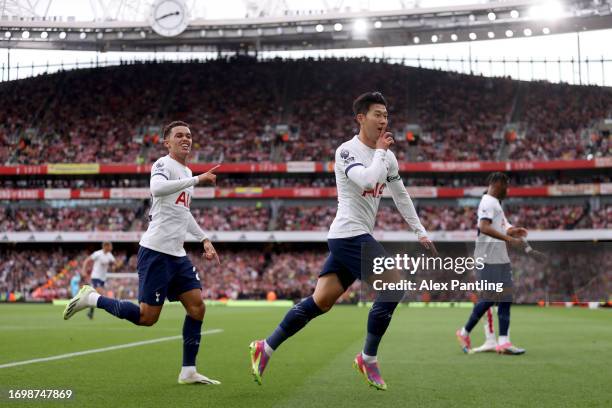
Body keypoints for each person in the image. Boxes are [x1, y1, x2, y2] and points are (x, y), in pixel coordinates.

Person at [249, 92, 437, 390]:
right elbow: (367, 181)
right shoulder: (346, 151)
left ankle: (266, 346)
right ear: (361, 118)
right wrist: (379, 152)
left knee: (320, 302)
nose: (384, 120)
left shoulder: (386, 156)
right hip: (348, 234)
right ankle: (368, 358)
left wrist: (420, 230)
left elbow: (400, 194)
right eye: (377, 114)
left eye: (386, 115)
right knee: (395, 287)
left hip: (355, 235)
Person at [63, 121, 222, 384]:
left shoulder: (186, 171)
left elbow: (184, 212)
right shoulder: (162, 164)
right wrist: (197, 179)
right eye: (179, 135)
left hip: (177, 254)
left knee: (197, 307)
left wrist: (204, 238)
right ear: (167, 142)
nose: (186, 139)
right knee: (147, 318)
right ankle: (92, 298)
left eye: (189, 136)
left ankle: (188, 370)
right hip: (156, 252)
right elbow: (156, 189)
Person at [456, 172, 529, 355]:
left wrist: (513, 231)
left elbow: (503, 225)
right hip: (488, 257)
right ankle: (464, 332)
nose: (508, 190)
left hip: (499, 257)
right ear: (498, 183)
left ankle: (503, 342)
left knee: (505, 297)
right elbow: (484, 227)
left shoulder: (496, 204)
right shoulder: (488, 201)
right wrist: (509, 240)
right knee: (489, 298)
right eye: (507, 186)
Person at [82, 242, 118, 319]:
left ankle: (90, 311)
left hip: (103, 278)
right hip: (95, 277)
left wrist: (115, 266)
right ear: (105, 246)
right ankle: (112, 309)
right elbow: (86, 261)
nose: (111, 247)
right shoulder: (97, 254)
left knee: (96, 295)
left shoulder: (109, 255)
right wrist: (83, 271)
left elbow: (115, 264)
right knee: (100, 293)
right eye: (110, 246)